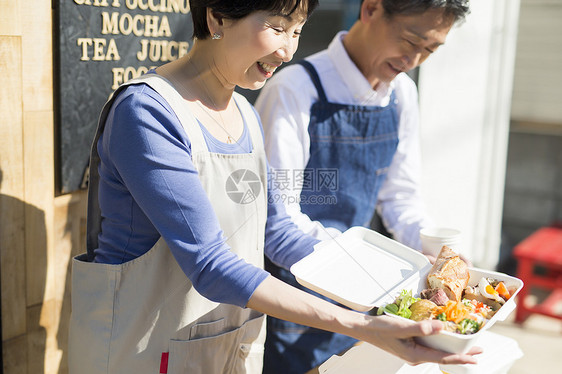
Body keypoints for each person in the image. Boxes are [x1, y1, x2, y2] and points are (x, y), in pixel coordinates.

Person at [68, 0, 480, 373]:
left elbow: (265, 228)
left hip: (225, 347)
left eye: (298, 31)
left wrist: (413, 280)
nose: (288, 51)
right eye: (278, 27)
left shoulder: (244, 113)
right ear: (216, 18)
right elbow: (210, 262)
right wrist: (366, 323)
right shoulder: (147, 112)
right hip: (144, 351)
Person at [255, 0, 471, 372]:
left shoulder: (402, 94)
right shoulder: (294, 90)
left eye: (430, 50)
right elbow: (277, 224)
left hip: (367, 301)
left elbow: (400, 196)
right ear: (371, 9)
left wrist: (432, 252)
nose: (414, 59)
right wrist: (374, 267)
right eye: (410, 40)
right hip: (293, 304)